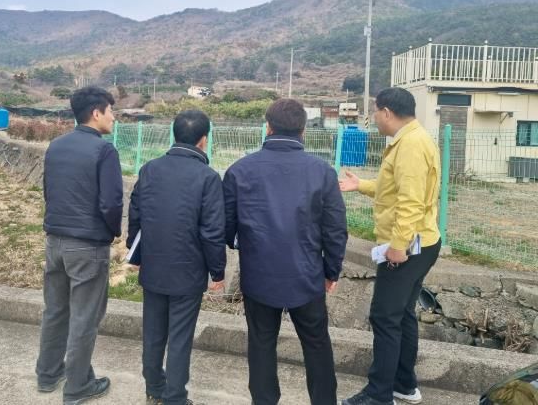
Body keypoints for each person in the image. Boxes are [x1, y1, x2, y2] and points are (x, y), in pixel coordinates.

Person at [223, 98, 348, 405]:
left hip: (259, 276)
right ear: (303, 130)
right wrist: (331, 271)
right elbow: (335, 229)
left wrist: (244, 243)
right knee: (317, 344)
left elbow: (226, 227)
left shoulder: (239, 171)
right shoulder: (322, 172)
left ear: (268, 127)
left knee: (261, 344)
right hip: (307, 275)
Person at [340, 87, 442, 405]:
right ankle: (403, 384)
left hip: (407, 246)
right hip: (423, 242)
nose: (373, 117)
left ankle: (379, 394)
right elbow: (393, 189)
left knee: (384, 317)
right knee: (402, 314)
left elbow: (410, 202)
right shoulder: (413, 139)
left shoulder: (409, 145)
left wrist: (397, 246)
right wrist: (360, 185)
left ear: (386, 112)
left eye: (374, 111)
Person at [128, 109, 226, 405]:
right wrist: (217, 272)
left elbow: (136, 214)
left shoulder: (150, 169)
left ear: (175, 134)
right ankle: (175, 398)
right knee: (180, 338)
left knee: (153, 333)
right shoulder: (208, 177)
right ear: (203, 140)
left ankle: (153, 389)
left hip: (153, 265)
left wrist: (136, 254)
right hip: (188, 271)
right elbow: (212, 231)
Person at [36, 86, 123, 405]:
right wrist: (113, 233)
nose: (114, 118)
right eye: (111, 111)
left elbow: (48, 190)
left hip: (55, 241)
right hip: (87, 245)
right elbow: (111, 203)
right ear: (96, 113)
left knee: (56, 310)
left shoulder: (56, 146)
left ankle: (48, 374)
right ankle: (77, 386)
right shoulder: (104, 151)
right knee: (85, 317)